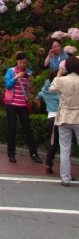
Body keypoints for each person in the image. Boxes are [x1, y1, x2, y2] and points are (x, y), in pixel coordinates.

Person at [4, 51, 43, 164]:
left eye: (24, 63)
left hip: (22, 104)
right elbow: (7, 85)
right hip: (11, 104)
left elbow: (29, 87)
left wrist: (30, 80)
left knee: (27, 128)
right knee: (12, 128)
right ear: (17, 62)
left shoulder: (28, 72)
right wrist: (15, 78)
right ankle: (11, 153)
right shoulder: (10, 71)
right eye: (21, 62)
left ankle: (34, 153)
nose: (22, 65)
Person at [49, 55, 79, 187]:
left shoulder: (62, 80)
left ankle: (65, 178)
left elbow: (52, 90)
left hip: (64, 117)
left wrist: (58, 75)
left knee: (65, 150)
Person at [35, 70, 61, 174]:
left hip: (50, 119)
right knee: (65, 144)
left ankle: (48, 165)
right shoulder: (60, 92)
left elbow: (40, 94)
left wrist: (38, 98)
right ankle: (65, 171)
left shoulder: (45, 92)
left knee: (53, 143)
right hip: (61, 118)